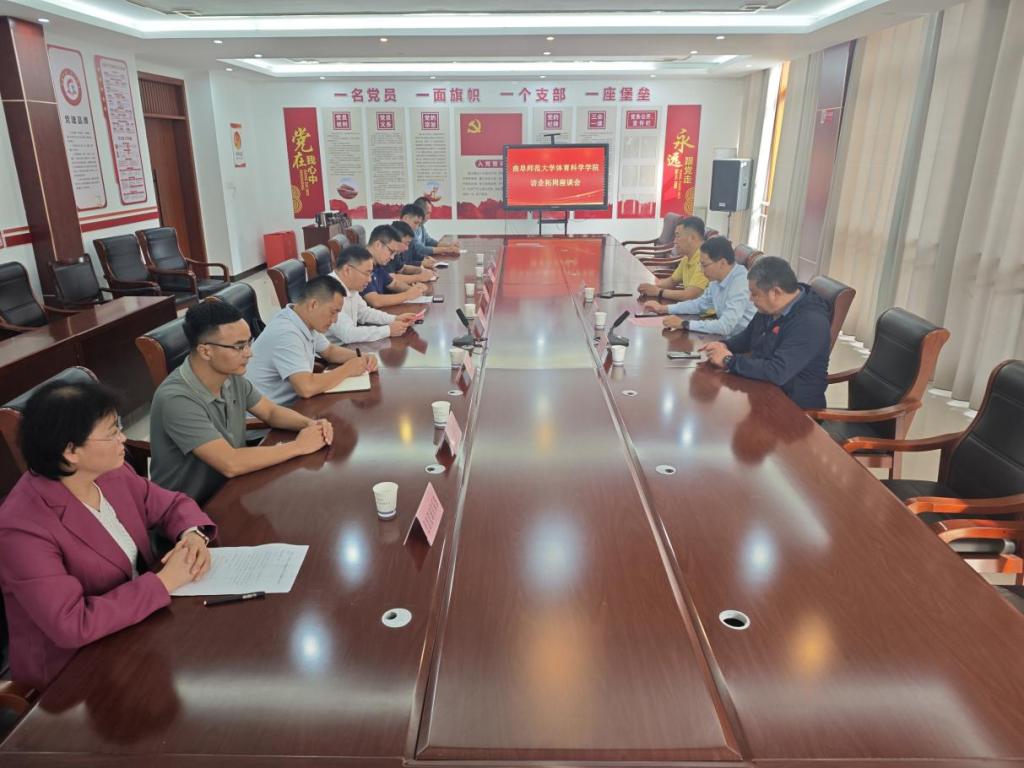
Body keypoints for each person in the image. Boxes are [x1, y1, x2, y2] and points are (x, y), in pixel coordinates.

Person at [0, 379, 215, 690]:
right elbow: (72, 624)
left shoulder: (111, 472)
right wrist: (164, 582)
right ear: (70, 451)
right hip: (72, 676)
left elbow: (172, 505)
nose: (123, 438)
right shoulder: (21, 528)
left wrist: (192, 536)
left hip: (140, 627)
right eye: (112, 432)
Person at [150, 301, 335, 506]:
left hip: (233, 488)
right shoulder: (176, 399)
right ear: (205, 351)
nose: (249, 353)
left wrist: (310, 424)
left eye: (249, 342)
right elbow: (230, 462)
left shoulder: (230, 375)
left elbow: (270, 412)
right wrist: (299, 446)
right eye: (239, 346)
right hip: (190, 509)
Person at [702, 256, 832, 409]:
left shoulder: (811, 322)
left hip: (793, 408)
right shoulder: (771, 308)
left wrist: (729, 360)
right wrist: (723, 345)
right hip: (762, 389)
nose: (751, 299)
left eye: (755, 294)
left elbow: (777, 371)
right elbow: (747, 337)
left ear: (775, 292)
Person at [246, 275, 378, 404]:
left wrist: (363, 356)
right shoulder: (286, 333)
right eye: (333, 312)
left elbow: (330, 351)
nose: (335, 320)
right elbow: (306, 388)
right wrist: (347, 370)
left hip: (294, 404)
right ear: (314, 304)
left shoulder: (301, 319)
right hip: (272, 413)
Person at [644, 236, 755, 337]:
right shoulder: (717, 278)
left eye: (704, 265)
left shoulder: (740, 283)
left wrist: (684, 324)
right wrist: (664, 308)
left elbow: (725, 326)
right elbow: (700, 304)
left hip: (744, 344)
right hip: (725, 337)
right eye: (700, 265)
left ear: (722, 263)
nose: (701, 270)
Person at [326, 245, 417, 344]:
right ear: (347, 270)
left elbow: (365, 313)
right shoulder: (329, 291)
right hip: (334, 350)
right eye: (366, 273)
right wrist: (388, 330)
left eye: (371, 274)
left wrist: (394, 318)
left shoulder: (351, 286)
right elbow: (348, 334)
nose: (369, 279)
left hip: (349, 345)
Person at [637, 217, 709, 302]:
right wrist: (651, 287)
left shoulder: (705, 259)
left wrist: (658, 292)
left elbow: (689, 295)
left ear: (692, 238)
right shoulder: (687, 257)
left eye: (678, 236)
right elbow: (672, 281)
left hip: (702, 310)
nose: (674, 241)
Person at [361, 224, 428, 309]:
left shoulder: (376, 264)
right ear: (377, 245)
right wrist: (407, 295)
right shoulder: (361, 263)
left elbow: (394, 284)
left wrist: (414, 290)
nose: (392, 257)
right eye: (391, 252)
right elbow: (375, 301)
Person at [386, 220, 436, 285]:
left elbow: (402, 268)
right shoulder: (386, 254)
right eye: (406, 243)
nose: (407, 248)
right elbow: (391, 278)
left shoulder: (395, 253)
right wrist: (419, 277)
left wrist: (421, 271)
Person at [398, 204, 437, 269]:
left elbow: (415, 255)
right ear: (405, 218)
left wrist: (425, 258)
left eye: (419, 224)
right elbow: (399, 264)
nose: (416, 228)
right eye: (415, 223)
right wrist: (421, 263)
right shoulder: (394, 236)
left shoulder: (410, 235)